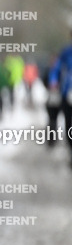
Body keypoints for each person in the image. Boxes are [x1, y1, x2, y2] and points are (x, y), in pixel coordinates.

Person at [47, 23, 72, 167]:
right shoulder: (66, 52)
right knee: (69, 124)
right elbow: (56, 69)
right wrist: (54, 81)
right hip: (66, 94)